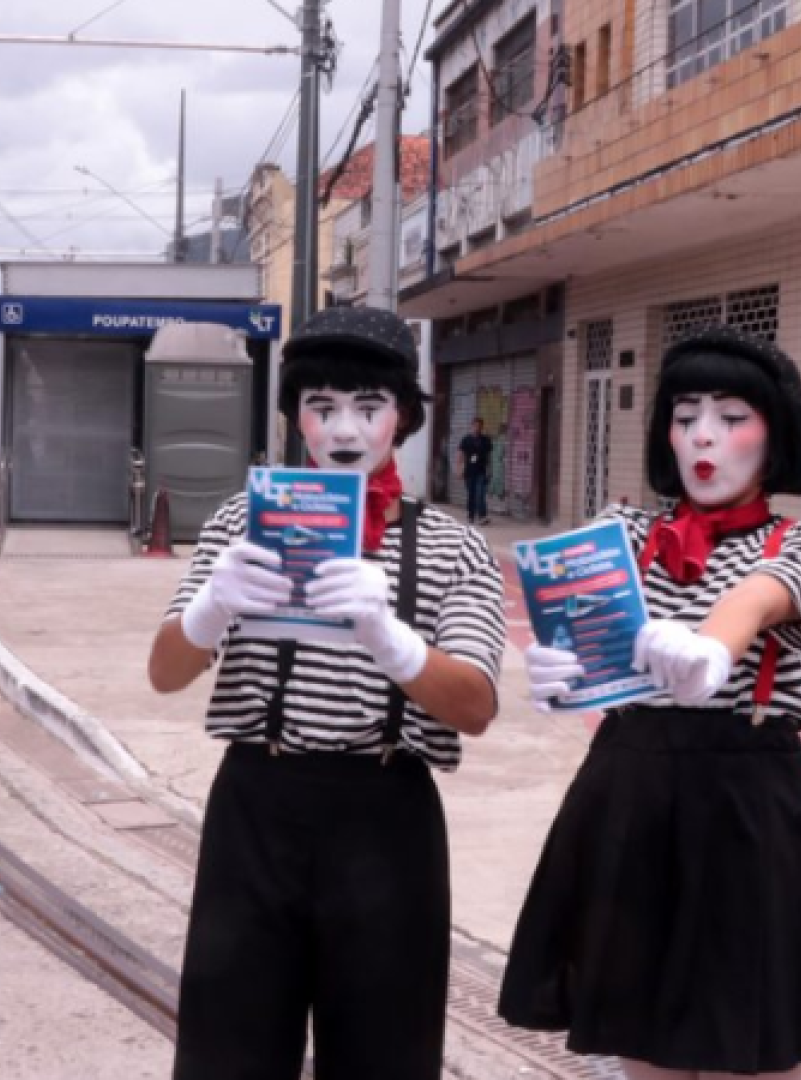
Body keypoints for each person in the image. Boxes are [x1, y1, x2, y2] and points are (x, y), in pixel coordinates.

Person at [497, 325, 801, 1078]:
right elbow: (577, 622)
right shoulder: (623, 531)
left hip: (751, 802)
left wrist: (713, 645)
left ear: (775, 436)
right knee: (644, 1046)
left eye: (732, 417)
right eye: (685, 417)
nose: (703, 437)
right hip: (632, 793)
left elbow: (759, 597)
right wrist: (554, 667)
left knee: (757, 1045)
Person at [149, 305, 508, 1080]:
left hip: (387, 816)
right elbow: (165, 671)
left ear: (401, 420)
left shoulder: (455, 546)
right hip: (256, 804)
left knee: (387, 1054)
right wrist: (213, 605)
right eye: (323, 407)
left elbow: (475, 706)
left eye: (367, 407)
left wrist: (391, 638)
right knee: (227, 1051)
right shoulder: (239, 525)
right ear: (297, 422)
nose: (345, 430)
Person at [459, 416, 494, 525]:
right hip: (469, 471)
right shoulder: (466, 439)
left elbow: (489, 456)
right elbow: (461, 454)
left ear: (481, 427)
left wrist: (489, 469)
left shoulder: (486, 440)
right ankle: (471, 515)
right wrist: (460, 468)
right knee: (471, 494)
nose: (477, 428)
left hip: (481, 471)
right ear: (472, 426)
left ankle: (482, 516)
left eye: (479, 426)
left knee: (480, 494)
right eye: (475, 426)